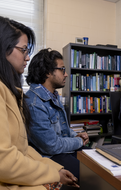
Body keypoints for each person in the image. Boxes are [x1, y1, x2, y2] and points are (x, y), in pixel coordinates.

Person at [0, 16, 79, 190]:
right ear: (2, 48)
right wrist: (53, 174)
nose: (27, 57)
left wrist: (55, 169)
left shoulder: (7, 89)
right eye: (24, 50)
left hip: (4, 175)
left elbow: (22, 149)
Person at [25, 48, 89, 180]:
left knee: (99, 161)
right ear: (48, 72)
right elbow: (51, 146)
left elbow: (63, 130)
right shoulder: (34, 102)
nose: (66, 74)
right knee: (91, 175)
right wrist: (79, 141)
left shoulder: (53, 95)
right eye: (62, 69)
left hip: (61, 150)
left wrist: (76, 135)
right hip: (49, 156)